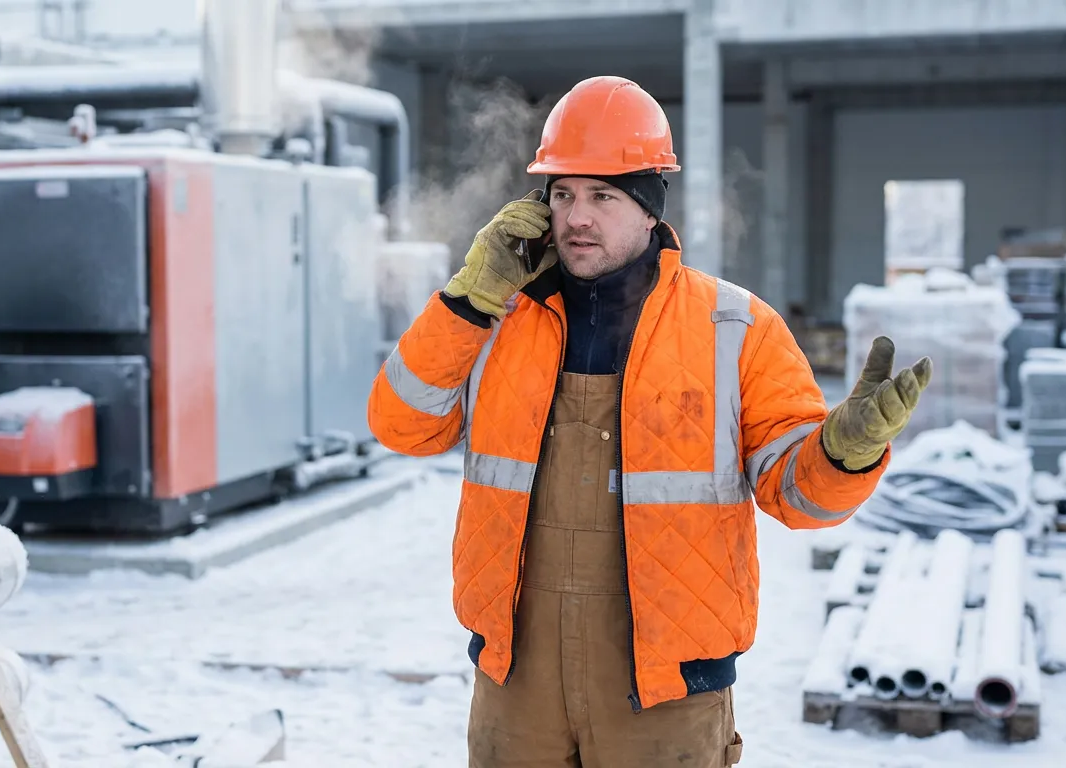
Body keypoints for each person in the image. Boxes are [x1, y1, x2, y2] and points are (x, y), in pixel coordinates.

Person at [367, 75, 932, 768]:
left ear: (648, 206)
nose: (577, 216)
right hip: (518, 683)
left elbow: (799, 496)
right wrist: (465, 300)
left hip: (665, 695)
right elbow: (400, 424)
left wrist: (845, 454)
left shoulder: (736, 327)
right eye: (564, 193)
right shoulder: (497, 319)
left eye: (603, 195)